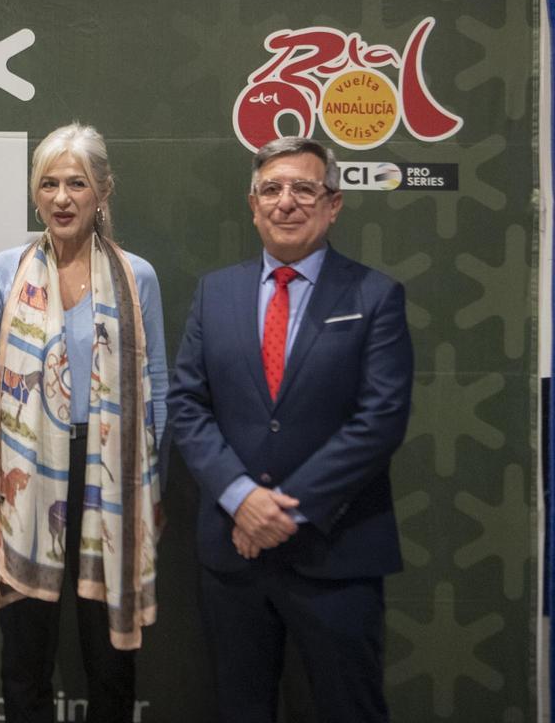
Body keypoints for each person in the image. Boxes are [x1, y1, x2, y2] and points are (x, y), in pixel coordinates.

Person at [167, 136, 414, 723]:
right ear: (252, 206)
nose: (286, 202)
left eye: (304, 188)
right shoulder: (214, 293)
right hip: (234, 555)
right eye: (271, 189)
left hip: (338, 553)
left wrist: (281, 511)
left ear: (333, 205)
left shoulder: (375, 296)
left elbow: (379, 420)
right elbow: (187, 404)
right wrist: (242, 498)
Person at [0, 123, 167, 723]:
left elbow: (159, 388)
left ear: (103, 190)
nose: (61, 197)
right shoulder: (5, 272)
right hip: (26, 473)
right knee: (25, 654)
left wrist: (153, 482)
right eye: (48, 183)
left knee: (109, 658)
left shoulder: (138, 277)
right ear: (34, 193)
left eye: (76, 183)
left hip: (114, 479)